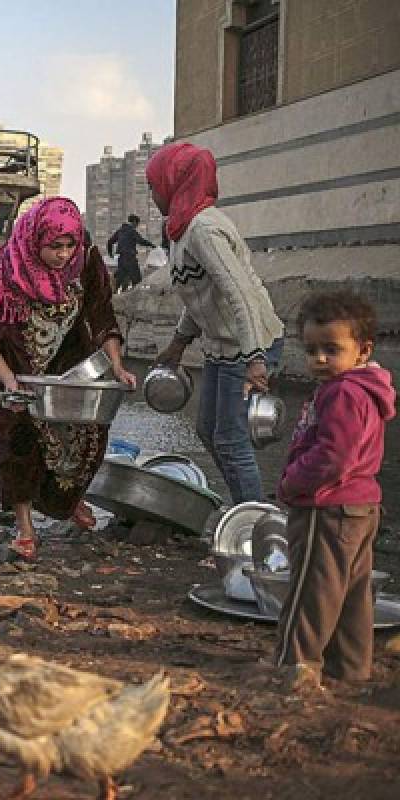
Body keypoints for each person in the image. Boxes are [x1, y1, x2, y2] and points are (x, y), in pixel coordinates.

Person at [0, 197, 137, 562]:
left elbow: (102, 317)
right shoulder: (7, 269)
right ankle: (26, 530)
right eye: (54, 247)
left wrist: (118, 366)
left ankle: (68, 501)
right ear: (35, 242)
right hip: (13, 364)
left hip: (69, 359)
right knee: (20, 442)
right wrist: (9, 381)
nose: (63, 256)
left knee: (86, 434)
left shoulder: (87, 261)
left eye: (69, 246)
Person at [147, 142, 285, 505]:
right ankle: (245, 504)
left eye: (155, 185)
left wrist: (256, 358)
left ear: (175, 182)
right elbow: (199, 296)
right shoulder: (181, 230)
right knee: (208, 430)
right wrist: (178, 344)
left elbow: (238, 294)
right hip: (223, 346)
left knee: (232, 437)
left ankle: (254, 524)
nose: (153, 193)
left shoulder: (204, 230)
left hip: (250, 343)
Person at [273, 291, 395, 691]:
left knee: (312, 588)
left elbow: (333, 458)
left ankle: (296, 666)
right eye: (311, 350)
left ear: (363, 350)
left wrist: (293, 482)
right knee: (352, 593)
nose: (319, 359)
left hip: (326, 508)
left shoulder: (343, 392)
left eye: (331, 349)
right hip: (361, 507)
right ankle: (350, 668)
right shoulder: (365, 390)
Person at [106, 214, 155, 292]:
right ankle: (135, 299)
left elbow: (110, 242)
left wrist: (110, 254)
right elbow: (141, 241)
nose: (137, 226)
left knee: (119, 280)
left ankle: (113, 296)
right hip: (130, 259)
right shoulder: (131, 231)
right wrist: (152, 245)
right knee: (137, 280)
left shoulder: (120, 231)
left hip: (121, 259)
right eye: (137, 224)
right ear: (134, 222)